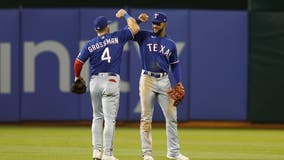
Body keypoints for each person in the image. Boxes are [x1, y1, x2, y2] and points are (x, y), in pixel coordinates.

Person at [72, 9, 140, 160]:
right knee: (109, 120)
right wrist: (127, 16)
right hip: (111, 81)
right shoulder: (117, 37)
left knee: (97, 117)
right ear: (107, 27)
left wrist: (77, 77)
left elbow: (78, 63)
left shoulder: (90, 44)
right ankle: (108, 154)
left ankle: (96, 152)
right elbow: (134, 29)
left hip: (95, 82)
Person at [133, 12, 189, 160]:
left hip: (164, 81)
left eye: (158, 23)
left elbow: (175, 65)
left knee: (172, 117)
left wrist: (178, 82)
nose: (155, 25)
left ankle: (173, 152)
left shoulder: (170, 44)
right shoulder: (144, 36)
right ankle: (147, 153)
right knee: (146, 117)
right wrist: (138, 20)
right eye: (153, 22)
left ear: (164, 23)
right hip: (147, 80)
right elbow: (130, 30)